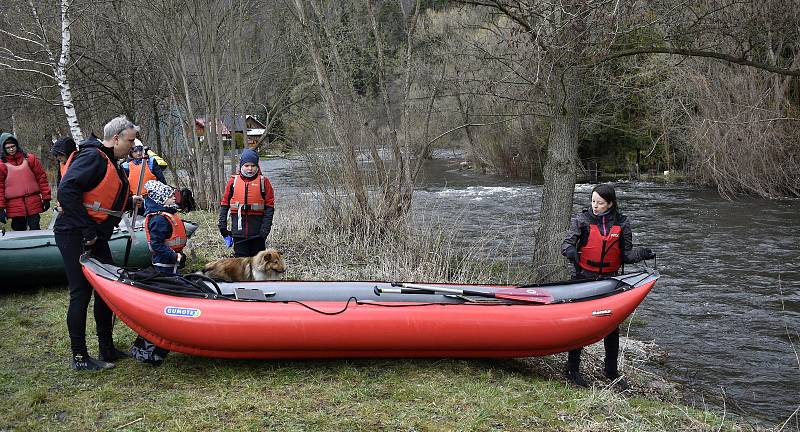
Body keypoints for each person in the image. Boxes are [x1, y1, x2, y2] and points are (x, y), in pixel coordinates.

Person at [55, 115, 142, 371]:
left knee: (105, 290)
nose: (132, 145)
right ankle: (80, 357)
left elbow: (100, 197)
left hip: (94, 234)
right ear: (116, 139)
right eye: (129, 140)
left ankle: (107, 348)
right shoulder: (92, 157)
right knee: (81, 293)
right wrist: (87, 231)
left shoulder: (110, 160)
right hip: (74, 233)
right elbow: (67, 190)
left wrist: (129, 202)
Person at [560, 183, 655, 388]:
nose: (595, 205)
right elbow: (566, 243)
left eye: (600, 203)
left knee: (612, 327)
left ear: (610, 204)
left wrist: (642, 253)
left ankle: (611, 372)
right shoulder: (582, 220)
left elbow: (626, 255)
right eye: (593, 201)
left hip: (609, 282)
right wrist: (570, 251)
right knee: (581, 325)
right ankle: (572, 369)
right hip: (583, 278)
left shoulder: (622, 223)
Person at [218, 148, 275, 257]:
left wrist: (264, 230)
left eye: (253, 166)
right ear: (241, 166)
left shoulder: (264, 182)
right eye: (247, 165)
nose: (250, 169)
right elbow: (225, 204)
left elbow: (269, 207)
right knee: (241, 263)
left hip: (258, 232)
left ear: (257, 166)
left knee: (257, 264)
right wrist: (222, 227)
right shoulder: (233, 182)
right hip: (238, 231)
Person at [0, 132, 52, 230]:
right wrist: (0, 208)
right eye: (8, 147)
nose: (11, 149)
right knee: (19, 230)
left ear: (17, 145)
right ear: (4, 149)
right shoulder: (2, 165)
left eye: (13, 146)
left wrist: (46, 198)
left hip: (33, 201)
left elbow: (42, 178)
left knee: (35, 229)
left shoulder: (30, 159)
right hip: (14, 205)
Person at [142, 180, 187, 274]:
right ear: (160, 199)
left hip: (171, 261)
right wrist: (174, 256)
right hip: (163, 264)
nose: (174, 197)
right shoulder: (158, 220)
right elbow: (156, 244)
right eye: (170, 196)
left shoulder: (167, 215)